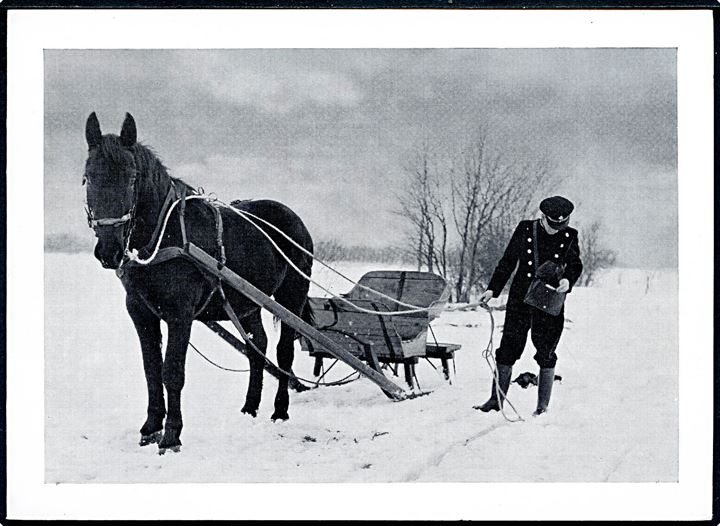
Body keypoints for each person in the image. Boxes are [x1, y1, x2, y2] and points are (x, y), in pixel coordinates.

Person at [476, 196, 583, 416]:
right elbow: (507, 261)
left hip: (550, 300)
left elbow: (575, 265)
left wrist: (567, 281)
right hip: (520, 298)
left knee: (546, 350)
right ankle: (495, 401)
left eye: (561, 225)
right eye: (553, 224)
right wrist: (492, 289)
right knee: (508, 349)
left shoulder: (571, 236)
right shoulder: (525, 229)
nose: (557, 229)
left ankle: (542, 408)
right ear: (544, 217)